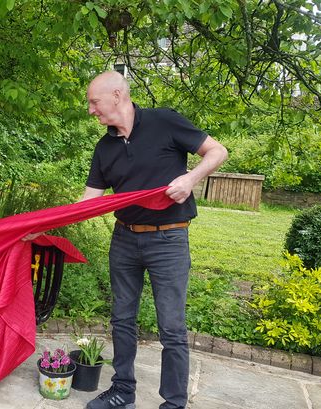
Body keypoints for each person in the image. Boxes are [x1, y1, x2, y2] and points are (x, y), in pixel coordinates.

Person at [82, 71, 228, 409]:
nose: (91, 110)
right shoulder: (104, 147)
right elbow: (89, 201)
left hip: (169, 241)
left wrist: (190, 179)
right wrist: (41, 225)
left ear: (117, 95)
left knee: (172, 326)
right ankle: (122, 392)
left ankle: (174, 403)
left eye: (94, 102)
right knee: (121, 318)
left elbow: (217, 151)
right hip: (125, 241)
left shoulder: (164, 121)